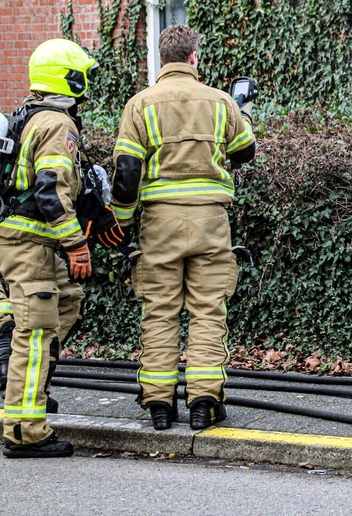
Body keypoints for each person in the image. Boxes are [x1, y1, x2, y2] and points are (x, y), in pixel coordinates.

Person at [110, 24, 256, 431]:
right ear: (194, 57)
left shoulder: (139, 105)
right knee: (209, 310)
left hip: (160, 223)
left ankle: (159, 405)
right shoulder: (221, 100)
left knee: (159, 312)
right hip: (211, 221)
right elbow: (246, 150)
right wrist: (240, 114)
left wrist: (119, 224)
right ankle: (203, 403)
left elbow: (126, 173)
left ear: (162, 59)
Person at [0, 38, 118, 458]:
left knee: (66, 303)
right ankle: (23, 431)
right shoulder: (55, 124)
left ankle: (21, 374)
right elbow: (50, 192)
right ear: (68, 77)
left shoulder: (30, 117)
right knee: (34, 335)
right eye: (82, 73)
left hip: (29, 242)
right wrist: (77, 245)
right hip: (32, 243)